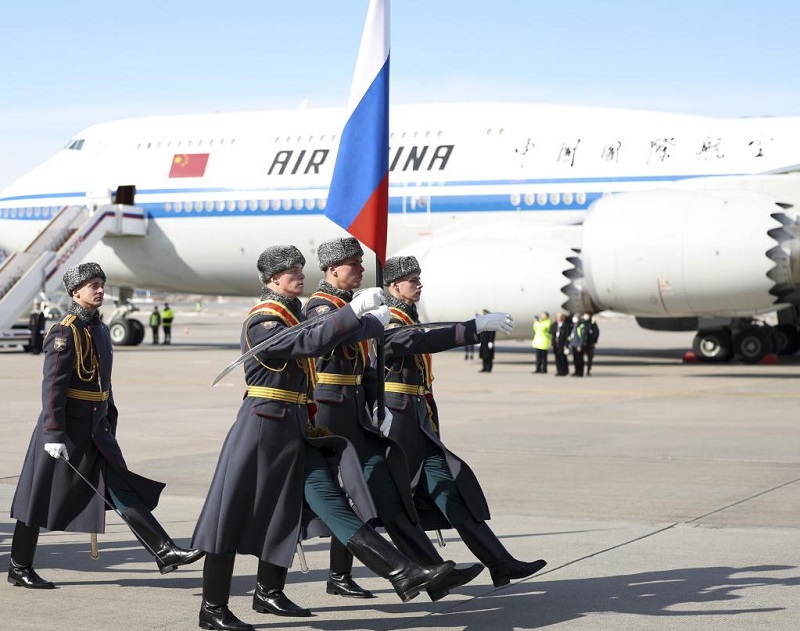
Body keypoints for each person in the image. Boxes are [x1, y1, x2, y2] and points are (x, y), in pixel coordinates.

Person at [191, 246, 455, 631]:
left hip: (297, 426)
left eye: (301, 269)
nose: (300, 275)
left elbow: (329, 336)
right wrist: (353, 311)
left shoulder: (296, 315)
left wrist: (371, 321)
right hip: (262, 428)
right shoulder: (263, 319)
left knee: (324, 506)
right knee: (228, 517)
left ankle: (396, 573)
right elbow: (308, 343)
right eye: (292, 271)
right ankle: (212, 608)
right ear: (273, 279)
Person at [304, 237, 483, 604]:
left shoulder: (347, 306)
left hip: (355, 413)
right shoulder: (321, 306)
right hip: (328, 413)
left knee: (384, 494)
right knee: (324, 499)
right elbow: (324, 341)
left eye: (360, 262)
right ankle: (273, 586)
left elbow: (364, 367)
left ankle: (430, 572)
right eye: (353, 263)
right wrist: (359, 318)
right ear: (332, 269)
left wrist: (376, 403)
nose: (361, 268)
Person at [8, 263, 204, 591]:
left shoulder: (99, 328)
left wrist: (108, 419)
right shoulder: (64, 332)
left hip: (95, 431)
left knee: (120, 488)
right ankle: (19, 566)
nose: (100, 290)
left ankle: (164, 550)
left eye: (101, 284)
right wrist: (53, 433)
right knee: (37, 498)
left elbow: (103, 382)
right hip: (65, 432)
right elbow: (53, 387)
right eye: (93, 285)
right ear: (76, 292)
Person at [381, 255, 548, 588]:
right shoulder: (389, 320)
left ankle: (499, 562)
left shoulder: (407, 316)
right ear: (395, 286)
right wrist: (472, 328)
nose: (419, 285)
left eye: (418, 278)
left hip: (417, 417)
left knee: (450, 491)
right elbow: (414, 342)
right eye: (412, 280)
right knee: (393, 500)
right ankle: (350, 573)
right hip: (397, 418)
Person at [551, 312, 571, 377]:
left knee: (563, 358)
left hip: (562, 344)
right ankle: (559, 370)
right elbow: (551, 331)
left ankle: (564, 371)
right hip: (556, 344)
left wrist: (566, 344)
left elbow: (567, 336)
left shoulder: (566, 326)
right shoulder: (555, 325)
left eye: (559, 317)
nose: (557, 318)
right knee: (557, 358)